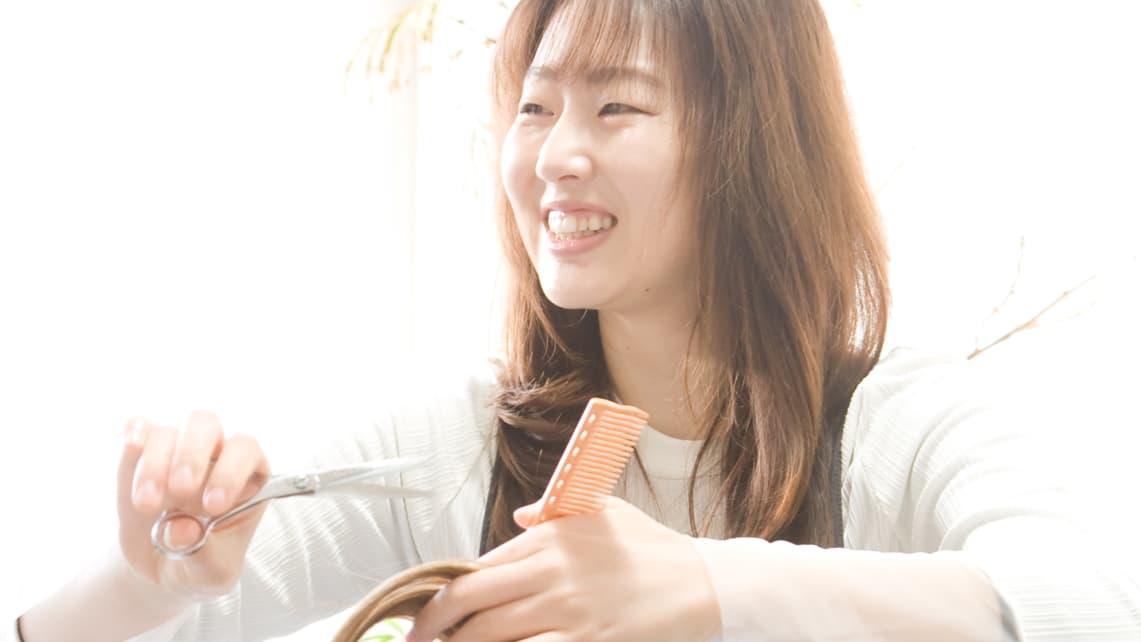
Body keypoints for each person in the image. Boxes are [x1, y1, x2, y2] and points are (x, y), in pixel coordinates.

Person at [13, 1, 1140, 640]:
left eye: (617, 106)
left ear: (750, 145)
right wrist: (146, 576)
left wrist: (708, 587)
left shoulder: (896, 427)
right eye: (536, 106)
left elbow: (1089, 606)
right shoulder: (462, 448)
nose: (555, 154)